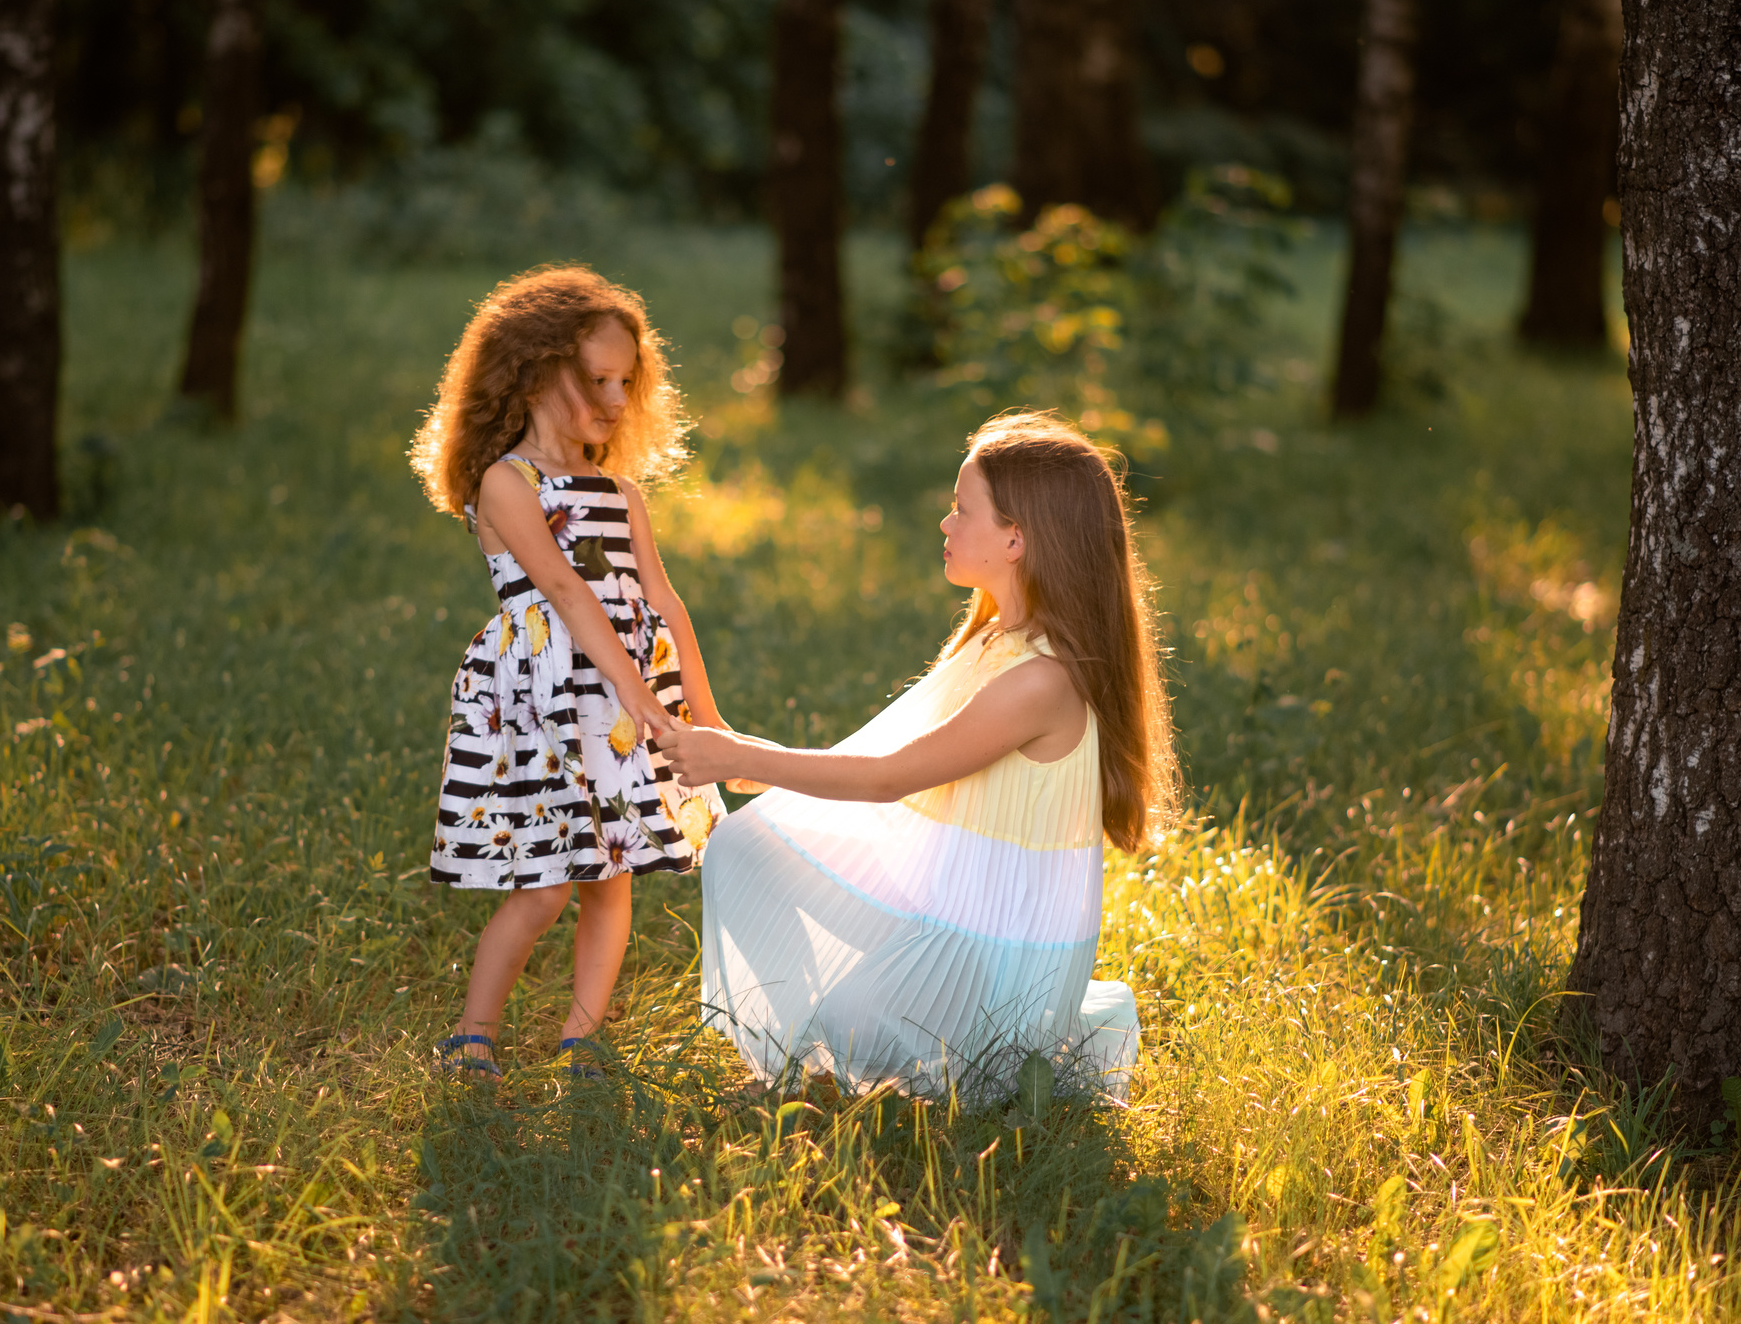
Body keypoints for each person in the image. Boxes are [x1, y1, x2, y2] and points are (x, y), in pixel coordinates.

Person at [657, 411, 1176, 1100]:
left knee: (850, 1031)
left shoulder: (1040, 681)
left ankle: (1011, 1044)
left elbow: (888, 778)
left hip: (999, 949)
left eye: (963, 510)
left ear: (1017, 538)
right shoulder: (992, 638)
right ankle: (838, 1031)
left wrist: (740, 760)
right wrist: (749, 755)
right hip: (954, 899)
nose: (946, 524)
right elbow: (892, 762)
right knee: (746, 849)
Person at [410, 267, 730, 1080]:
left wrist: (701, 706)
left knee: (612, 871)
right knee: (549, 882)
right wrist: (631, 688)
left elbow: (662, 598)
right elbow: (564, 591)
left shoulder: (622, 492)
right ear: (533, 371)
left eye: (628, 381)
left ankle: (581, 1037)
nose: (617, 399)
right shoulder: (507, 482)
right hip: (547, 697)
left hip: (621, 697)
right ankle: (473, 1032)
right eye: (597, 380)